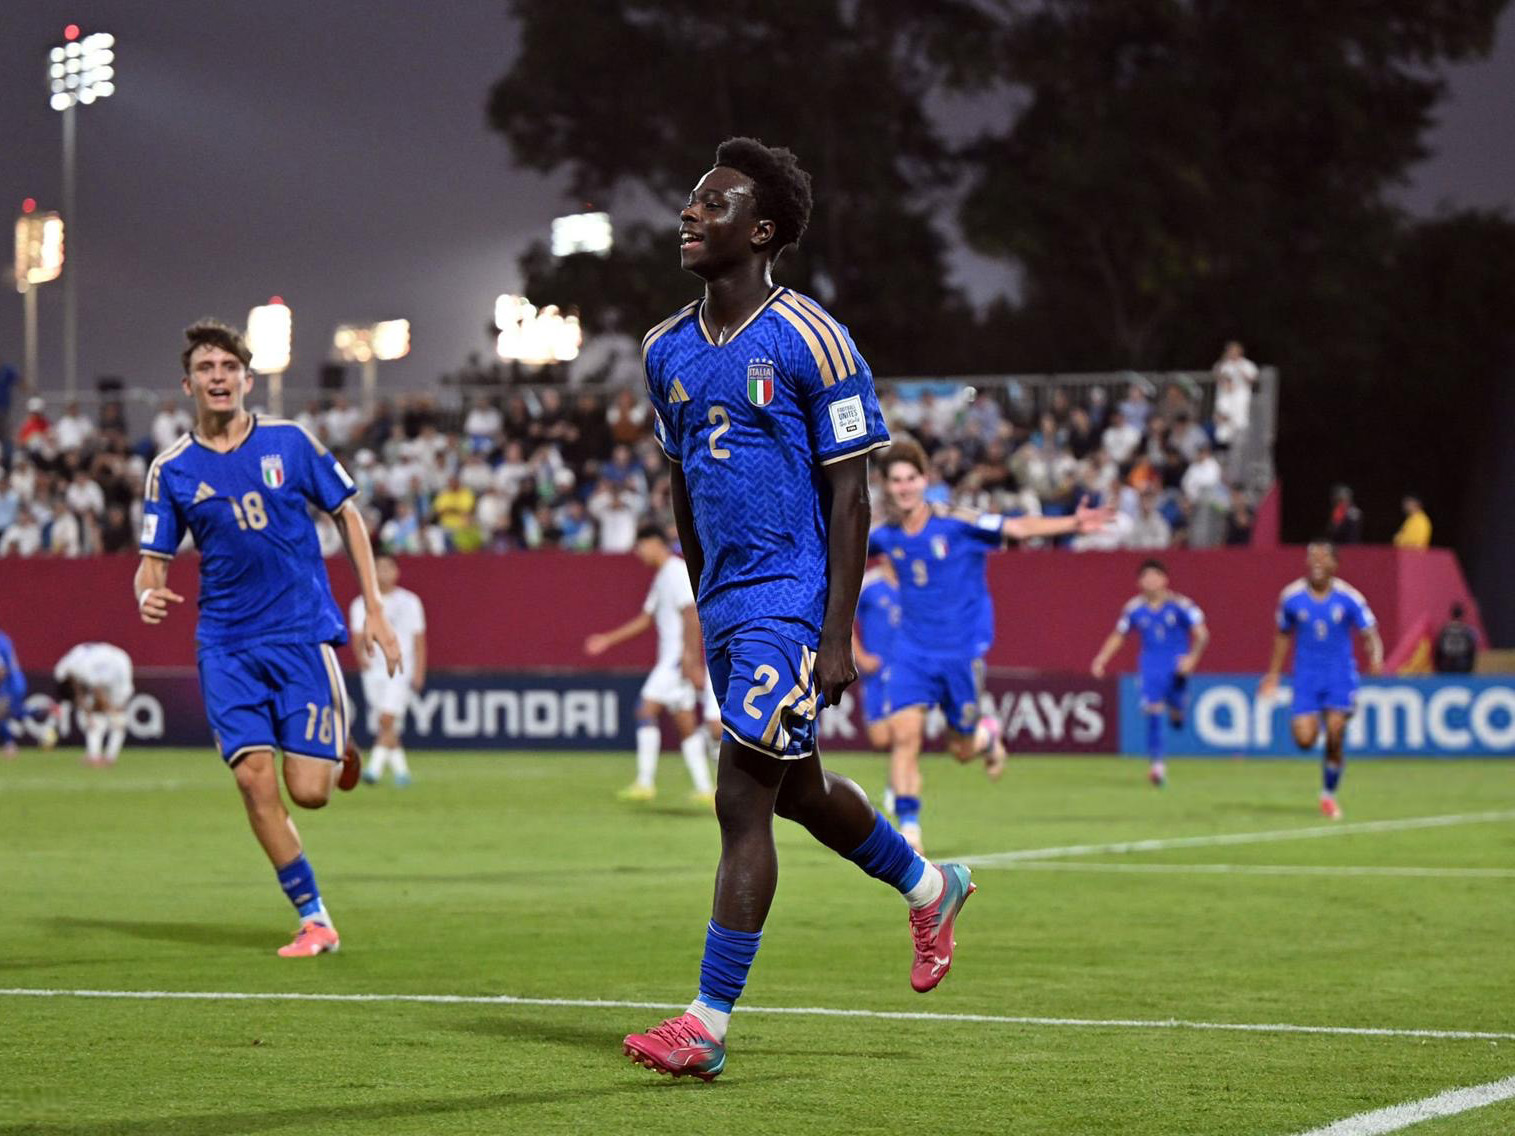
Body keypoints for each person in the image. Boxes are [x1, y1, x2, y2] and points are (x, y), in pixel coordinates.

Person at [622, 138, 975, 1081]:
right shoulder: (663, 351)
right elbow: (684, 489)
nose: (690, 214)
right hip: (730, 603)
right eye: (691, 201)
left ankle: (705, 1023)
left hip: (792, 595)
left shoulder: (813, 337)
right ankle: (933, 886)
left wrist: (833, 631)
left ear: (762, 230)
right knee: (802, 793)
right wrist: (703, 611)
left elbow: (850, 495)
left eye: (714, 203)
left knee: (741, 798)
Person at [135, 318, 401, 957]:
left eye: (228, 368)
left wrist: (374, 606)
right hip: (224, 644)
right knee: (254, 780)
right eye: (206, 369)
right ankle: (315, 918)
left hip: (301, 635)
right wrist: (145, 592)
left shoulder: (291, 442)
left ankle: (339, 749)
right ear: (188, 384)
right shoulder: (170, 470)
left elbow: (348, 514)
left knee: (308, 795)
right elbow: (152, 562)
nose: (218, 378)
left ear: (247, 380)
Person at [870, 440, 1114, 851]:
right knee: (904, 736)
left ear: (924, 481)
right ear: (888, 486)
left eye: (911, 478)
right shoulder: (886, 536)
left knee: (961, 749)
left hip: (959, 653)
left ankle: (986, 738)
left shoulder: (956, 522)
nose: (904, 487)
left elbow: (1016, 528)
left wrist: (1072, 524)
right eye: (896, 481)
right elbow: (838, 546)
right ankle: (910, 832)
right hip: (910, 651)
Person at [584, 523, 714, 804]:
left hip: (676, 660)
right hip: (676, 659)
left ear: (654, 543)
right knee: (685, 724)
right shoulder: (662, 577)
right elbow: (646, 619)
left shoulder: (677, 572)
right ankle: (705, 789)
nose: (638, 553)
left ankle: (645, 783)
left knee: (644, 709)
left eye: (640, 546)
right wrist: (607, 639)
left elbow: (691, 614)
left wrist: (690, 659)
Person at [1260, 543, 1383, 819]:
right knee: (1304, 739)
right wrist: (1274, 675)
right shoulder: (1291, 597)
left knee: (1336, 731)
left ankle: (1328, 794)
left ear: (1334, 565)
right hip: (1305, 676)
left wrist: (1375, 659)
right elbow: (1282, 636)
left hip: (1339, 675)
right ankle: (1323, 741)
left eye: (1323, 557)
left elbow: (1370, 632)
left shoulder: (1348, 597)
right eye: (1311, 557)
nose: (1316, 562)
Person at [1090, 560, 1209, 787]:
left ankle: (1178, 708)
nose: (1151, 581)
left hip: (1177, 665)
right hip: (1150, 664)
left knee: (1176, 712)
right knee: (1153, 710)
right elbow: (1119, 635)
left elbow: (1202, 634)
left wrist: (1193, 658)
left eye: (1155, 576)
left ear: (1165, 580)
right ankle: (1157, 766)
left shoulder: (1182, 605)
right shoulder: (1134, 608)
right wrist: (1102, 658)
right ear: (1139, 582)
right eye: (1146, 577)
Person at [348, 555, 426, 787]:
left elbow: (419, 639)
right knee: (386, 724)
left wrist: (419, 670)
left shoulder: (410, 602)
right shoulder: (361, 602)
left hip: (400, 668)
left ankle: (373, 768)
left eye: (387, 568)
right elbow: (358, 637)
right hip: (374, 670)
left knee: (386, 718)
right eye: (379, 568)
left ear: (396, 572)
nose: (383, 573)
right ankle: (402, 772)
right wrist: (361, 658)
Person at [52, 642, 135, 766]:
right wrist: (88, 710)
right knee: (95, 716)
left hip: (117, 667)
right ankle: (95, 756)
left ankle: (107, 758)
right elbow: (77, 690)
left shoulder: (83, 670)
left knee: (115, 715)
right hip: (108, 661)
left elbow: (98, 693)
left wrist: (109, 711)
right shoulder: (63, 670)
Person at [852, 557, 900, 755]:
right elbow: (843, 620)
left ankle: (900, 784)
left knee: (907, 732)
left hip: (908, 668)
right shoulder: (869, 584)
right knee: (880, 738)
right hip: (877, 671)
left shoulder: (915, 580)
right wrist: (860, 656)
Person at [0, 627, 26, 758]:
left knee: (3, 713)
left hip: (8, 683)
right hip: (16, 680)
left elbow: (2, 670)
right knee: (16, 713)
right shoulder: (4, 638)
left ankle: (10, 744)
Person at [1433, 603, 1478, 674]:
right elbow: (1471, 650)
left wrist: (1438, 667)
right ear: (1462, 615)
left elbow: (1438, 649)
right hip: (1462, 663)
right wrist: (1470, 667)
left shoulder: (1445, 630)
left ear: (1451, 614)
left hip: (1446, 663)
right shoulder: (1467, 631)